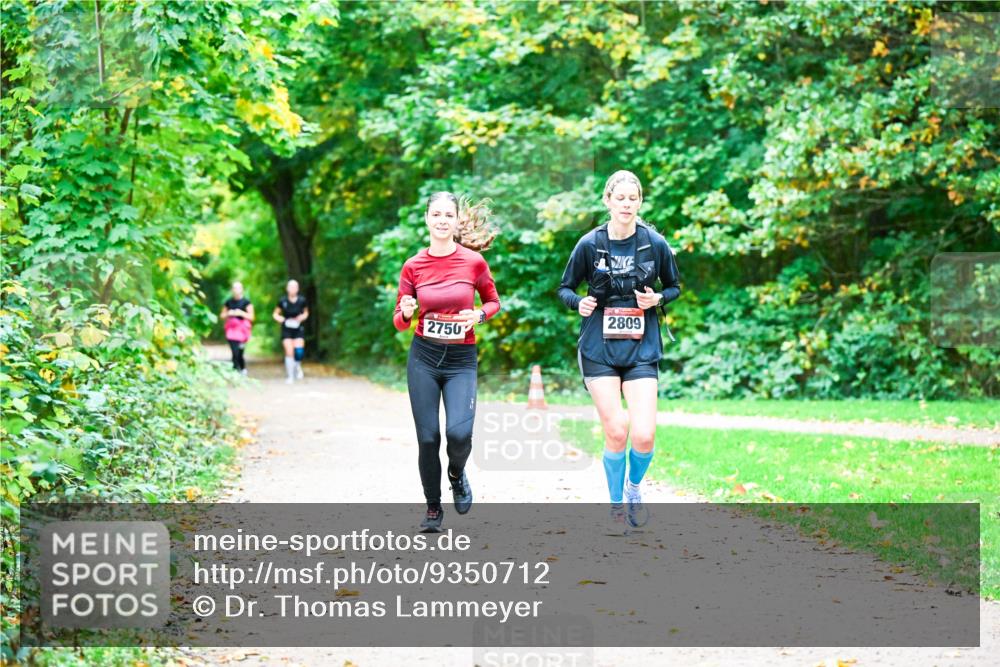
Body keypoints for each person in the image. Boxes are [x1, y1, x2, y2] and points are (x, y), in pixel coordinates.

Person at [557, 170, 681, 533]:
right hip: (599, 346)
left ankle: (633, 488)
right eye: (620, 198)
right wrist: (578, 303)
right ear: (607, 201)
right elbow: (565, 288)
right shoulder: (589, 244)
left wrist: (657, 297)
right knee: (617, 429)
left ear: (640, 202)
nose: (627, 204)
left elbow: (674, 286)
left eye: (633, 199)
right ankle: (615, 506)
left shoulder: (654, 243)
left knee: (643, 434)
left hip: (642, 346)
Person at [393, 192, 501, 533]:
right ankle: (433, 509)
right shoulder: (413, 265)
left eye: (448, 215)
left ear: (456, 221)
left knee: (460, 433)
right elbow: (399, 319)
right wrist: (406, 312)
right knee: (428, 439)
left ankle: (456, 474)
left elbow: (493, 302)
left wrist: (479, 316)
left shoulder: (473, 263)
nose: (442, 220)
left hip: (461, 359)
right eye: (436, 214)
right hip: (423, 357)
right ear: (427, 219)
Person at [272, 279, 309, 384]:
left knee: (299, 351)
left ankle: (297, 366)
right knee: (289, 352)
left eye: (294, 287)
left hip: (298, 328)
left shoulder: (302, 300)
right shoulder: (282, 301)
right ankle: (290, 376)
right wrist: (281, 319)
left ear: (297, 289)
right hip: (286, 328)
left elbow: (306, 313)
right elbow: (275, 314)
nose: (292, 289)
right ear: (287, 288)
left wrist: (301, 317)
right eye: (290, 287)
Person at [221, 281, 254, 375]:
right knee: (234, 351)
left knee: (239, 352)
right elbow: (222, 315)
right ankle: (235, 370)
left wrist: (241, 313)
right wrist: (228, 313)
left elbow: (251, 317)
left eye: (238, 288)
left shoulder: (246, 302)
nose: (236, 290)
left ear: (242, 289)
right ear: (232, 290)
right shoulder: (228, 302)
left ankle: (242, 368)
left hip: (242, 330)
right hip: (231, 330)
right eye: (234, 288)